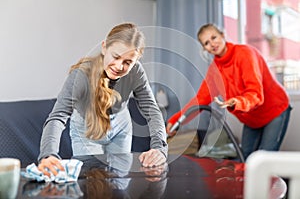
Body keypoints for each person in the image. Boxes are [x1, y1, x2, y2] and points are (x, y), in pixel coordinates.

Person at [38, 23, 168, 176]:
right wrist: (48, 155)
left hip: (121, 126)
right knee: (92, 181)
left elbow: (151, 109)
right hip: (87, 129)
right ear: (104, 47)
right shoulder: (81, 75)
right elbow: (58, 116)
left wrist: (160, 148)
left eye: (128, 62)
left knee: (119, 181)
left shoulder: (136, 71)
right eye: (116, 57)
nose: (119, 66)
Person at [166, 23, 292, 160]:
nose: (212, 44)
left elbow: (255, 94)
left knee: (265, 158)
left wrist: (237, 101)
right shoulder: (215, 71)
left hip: (274, 109)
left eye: (214, 37)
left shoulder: (245, 54)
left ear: (223, 35)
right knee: (245, 157)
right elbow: (200, 100)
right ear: (205, 49)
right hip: (252, 118)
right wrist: (176, 121)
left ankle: (267, 181)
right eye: (206, 43)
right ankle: (247, 182)